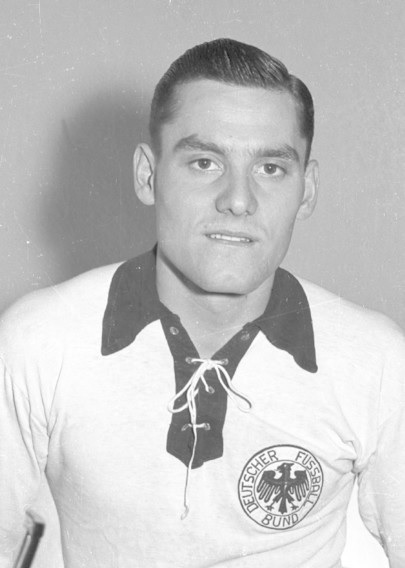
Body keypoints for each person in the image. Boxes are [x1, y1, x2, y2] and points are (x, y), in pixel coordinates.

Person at [0, 38, 404, 568]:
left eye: (271, 168)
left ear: (306, 190)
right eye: (205, 162)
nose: (238, 200)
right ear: (148, 175)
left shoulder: (377, 361)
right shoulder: (38, 341)